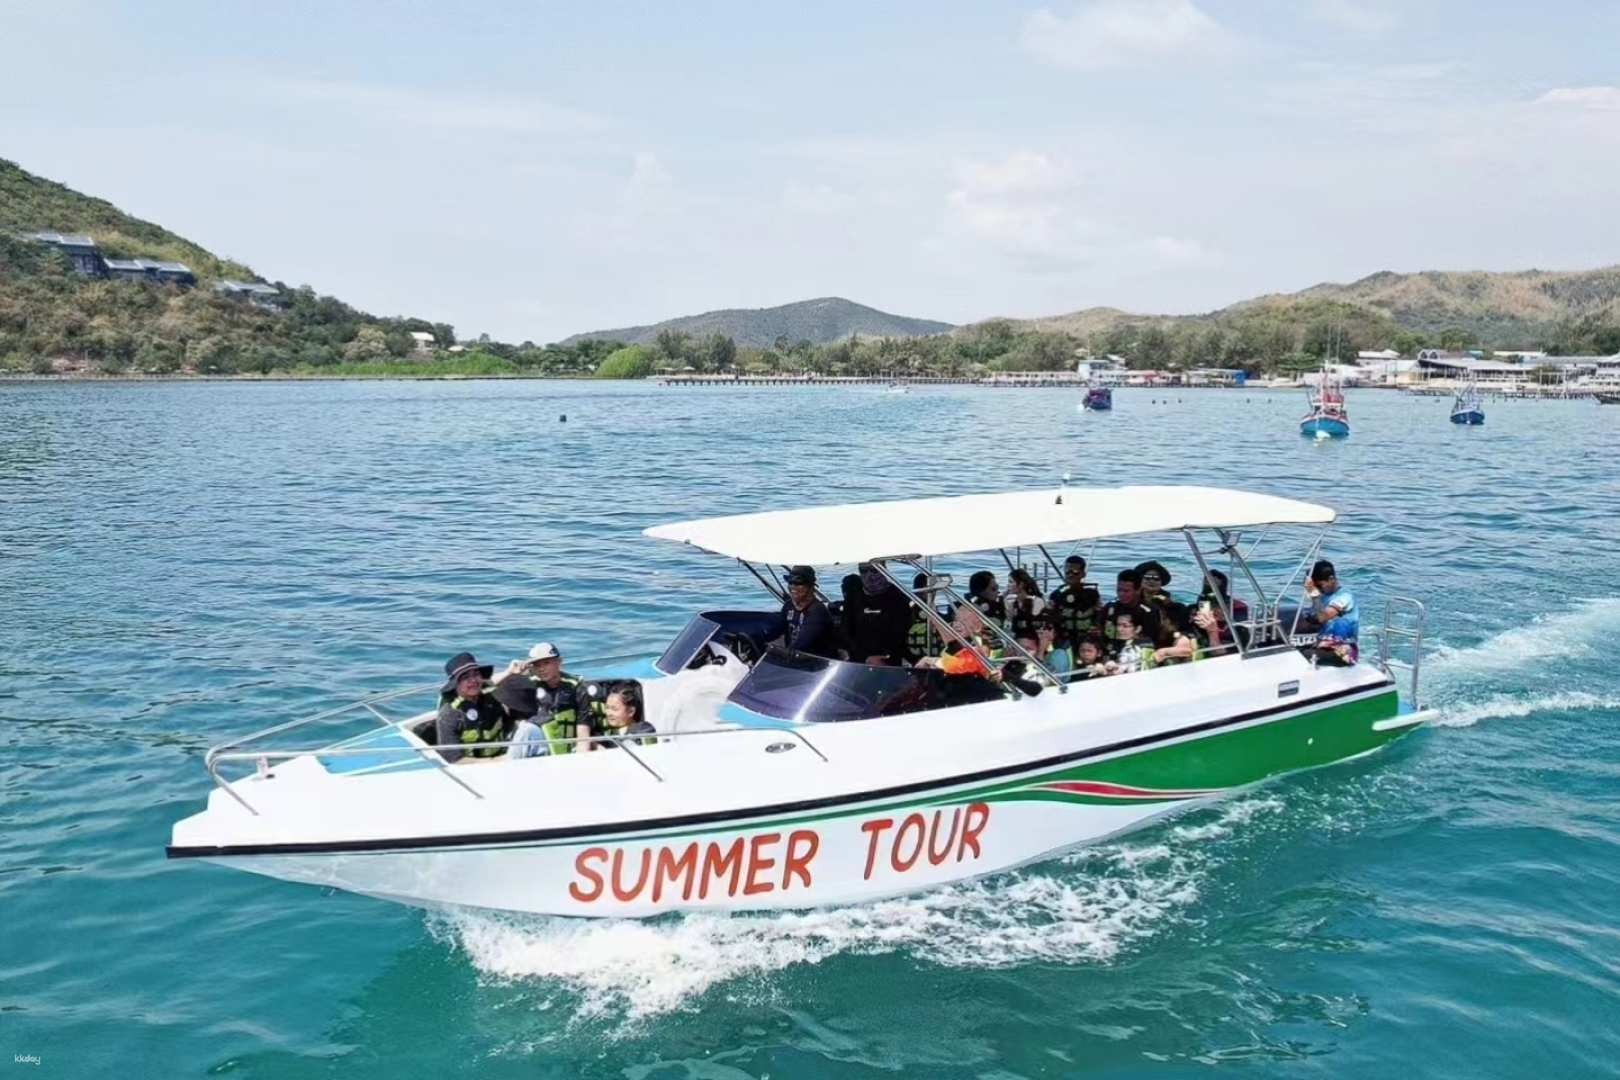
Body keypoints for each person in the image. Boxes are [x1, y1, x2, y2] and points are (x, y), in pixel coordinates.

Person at [500, 641, 588, 754]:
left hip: (567, 746)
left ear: (559, 662)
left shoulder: (576, 687)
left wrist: (581, 756)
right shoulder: (531, 682)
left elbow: (583, 728)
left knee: (527, 729)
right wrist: (509, 672)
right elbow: (486, 687)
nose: (541, 669)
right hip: (540, 743)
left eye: (546, 663)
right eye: (537, 665)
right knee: (526, 728)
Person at [434, 652, 513, 763]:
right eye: (465, 677)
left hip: (505, 759)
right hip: (471, 768)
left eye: (476, 674)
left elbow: (492, 683)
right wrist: (495, 761)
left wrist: (510, 671)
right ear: (455, 684)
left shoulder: (491, 698)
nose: (473, 680)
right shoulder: (449, 714)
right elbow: (453, 759)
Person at [845, 562, 913, 665]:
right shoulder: (854, 597)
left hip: (889, 659)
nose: (869, 576)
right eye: (863, 571)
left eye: (874, 570)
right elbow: (845, 631)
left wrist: (887, 657)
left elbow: (901, 634)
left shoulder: (899, 597)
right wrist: (864, 657)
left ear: (884, 570)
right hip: (860, 660)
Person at [772, 565, 839, 656]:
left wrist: (781, 654)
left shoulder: (817, 611)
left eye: (798, 584)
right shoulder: (788, 606)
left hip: (817, 661)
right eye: (790, 582)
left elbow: (802, 643)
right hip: (797, 659)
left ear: (810, 586)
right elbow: (776, 628)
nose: (793, 587)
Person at [1304, 559, 1359, 664]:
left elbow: (1323, 617)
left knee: (1303, 655)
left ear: (1331, 579)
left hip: (1343, 651)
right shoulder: (1323, 596)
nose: (1318, 589)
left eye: (1320, 585)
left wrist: (1314, 595)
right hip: (1323, 646)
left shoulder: (1345, 596)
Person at [1048, 555, 1101, 645]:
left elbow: (1098, 617)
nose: (1070, 575)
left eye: (1075, 572)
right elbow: (1050, 619)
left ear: (1083, 574)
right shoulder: (1057, 595)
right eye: (1067, 572)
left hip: (1085, 639)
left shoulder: (1091, 594)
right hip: (1063, 639)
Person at [1103, 568, 1158, 644]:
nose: (1121, 594)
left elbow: (1150, 639)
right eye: (1119, 590)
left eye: (1126, 591)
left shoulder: (1148, 612)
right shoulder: (1110, 607)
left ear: (1138, 590)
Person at [599, 681, 657, 747]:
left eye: (614, 709)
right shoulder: (610, 734)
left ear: (631, 711)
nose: (609, 713)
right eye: (607, 707)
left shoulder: (644, 730)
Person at [1003, 568, 1047, 642]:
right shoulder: (1012, 602)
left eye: (1011, 582)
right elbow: (1009, 625)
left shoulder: (1036, 601)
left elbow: (1039, 627)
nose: (1008, 585)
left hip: (1032, 640)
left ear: (1021, 584)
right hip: (1016, 640)